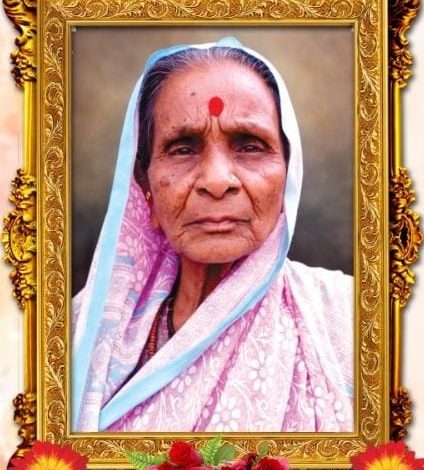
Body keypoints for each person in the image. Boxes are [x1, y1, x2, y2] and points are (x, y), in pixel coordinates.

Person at [72, 37, 353, 432]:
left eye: (250, 146)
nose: (217, 181)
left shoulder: (354, 319)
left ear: (289, 175)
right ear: (145, 186)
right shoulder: (77, 336)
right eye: (183, 149)